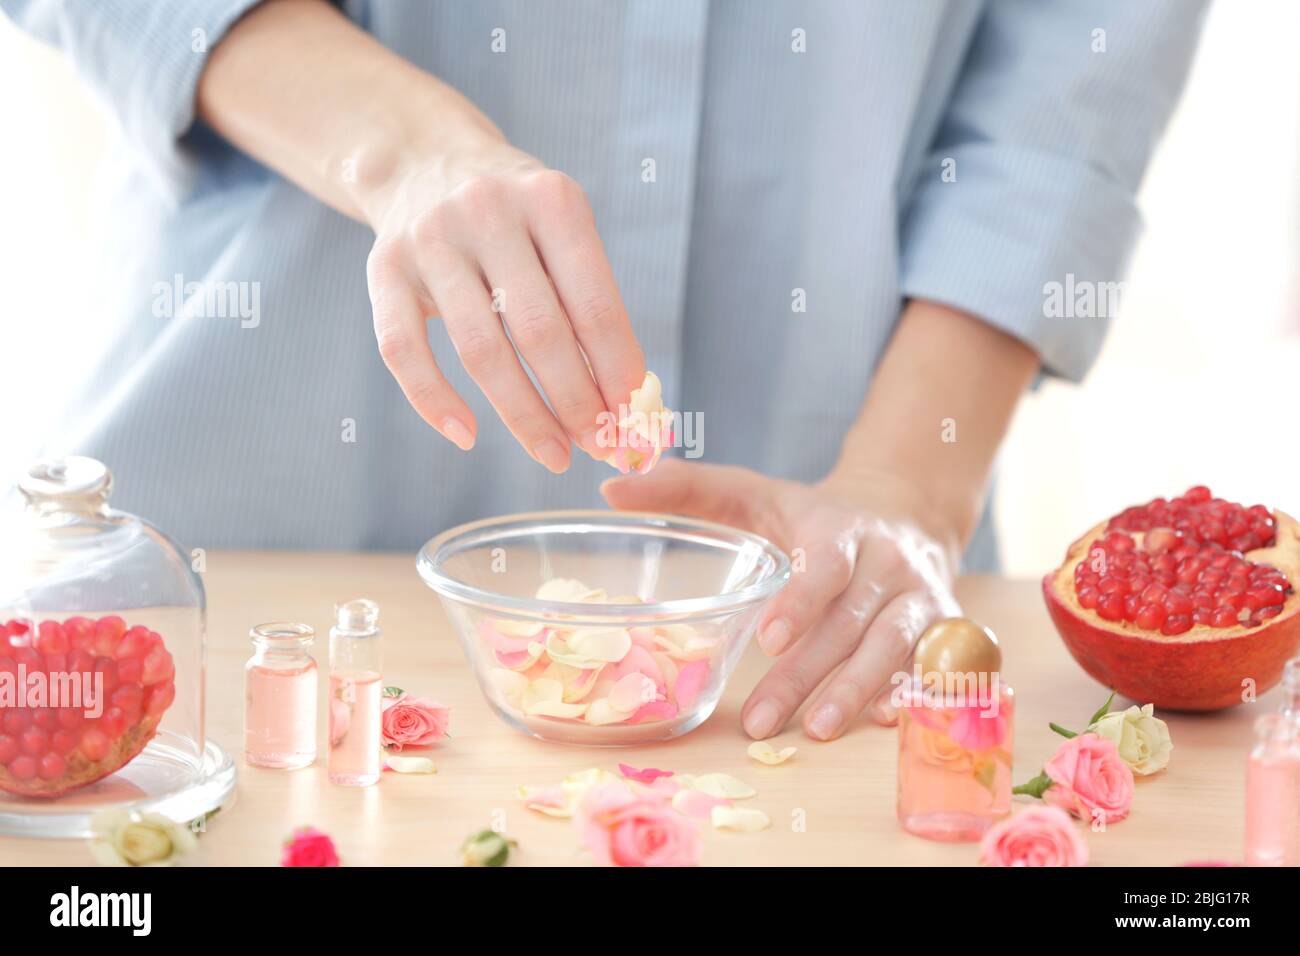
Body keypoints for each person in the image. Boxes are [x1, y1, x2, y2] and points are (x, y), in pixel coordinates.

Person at [5, 0, 1206, 741]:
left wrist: (908, 479)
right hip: (234, 532)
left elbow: (1075, 76)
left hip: (807, 631)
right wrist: (403, 150)